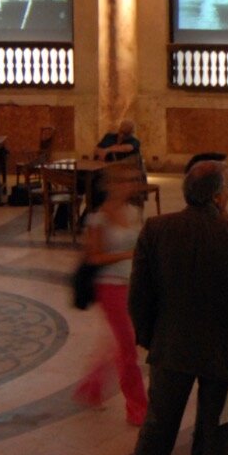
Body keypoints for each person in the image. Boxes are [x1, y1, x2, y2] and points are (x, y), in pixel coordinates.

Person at [101, 160, 228, 455]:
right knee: (217, 429)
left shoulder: (157, 229)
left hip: (170, 346)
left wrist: (148, 337)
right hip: (221, 352)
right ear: (219, 196)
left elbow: (139, 294)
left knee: (158, 425)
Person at [74, 168, 149, 427]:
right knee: (128, 347)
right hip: (109, 287)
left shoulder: (132, 212)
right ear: (110, 186)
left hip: (132, 284)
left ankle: (92, 385)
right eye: (125, 180)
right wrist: (129, 254)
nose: (131, 185)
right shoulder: (97, 218)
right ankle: (138, 407)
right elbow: (94, 257)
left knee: (120, 341)